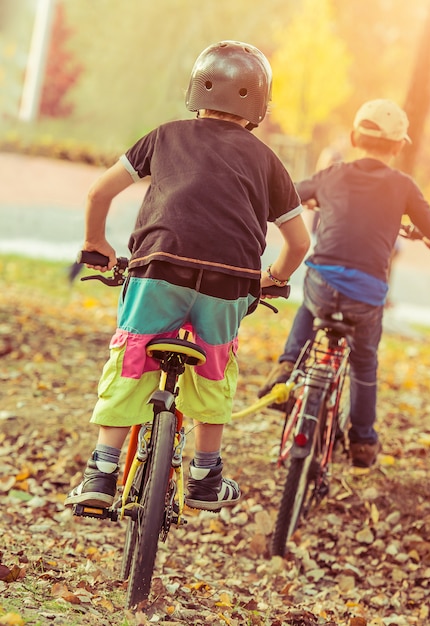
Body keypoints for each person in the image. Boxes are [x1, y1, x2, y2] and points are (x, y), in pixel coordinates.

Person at [65, 40, 310, 511]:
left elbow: (99, 193)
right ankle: (204, 478)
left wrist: (96, 244)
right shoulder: (268, 162)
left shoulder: (164, 136)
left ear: (196, 89)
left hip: (158, 268)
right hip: (230, 283)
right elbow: (299, 244)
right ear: (259, 104)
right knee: (214, 371)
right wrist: (271, 277)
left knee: (132, 360)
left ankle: (101, 473)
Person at [258, 99, 430, 470]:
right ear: (398, 146)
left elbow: (283, 196)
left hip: (322, 284)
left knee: (310, 301)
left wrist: (316, 200)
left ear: (352, 137)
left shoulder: (331, 175)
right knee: (364, 364)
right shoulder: (403, 187)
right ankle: (362, 441)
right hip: (366, 297)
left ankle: (286, 365)